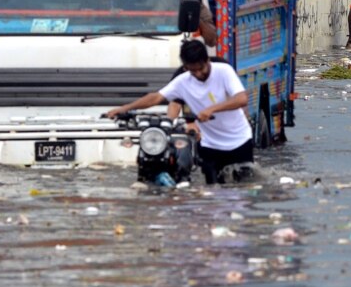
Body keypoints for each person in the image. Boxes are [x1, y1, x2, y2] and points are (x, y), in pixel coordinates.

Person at [105, 40, 253, 185]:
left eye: (201, 68)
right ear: (185, 67)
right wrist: (124, 108)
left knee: (243, 189)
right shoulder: (182, 81)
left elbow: (241, 99)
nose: (198, 74)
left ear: (207, 60)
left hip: (239, 140)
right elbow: (156, 97)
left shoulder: (223, 71)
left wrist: (211, 109)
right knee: (213, 193)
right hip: (210, 145)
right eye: (192, 70)